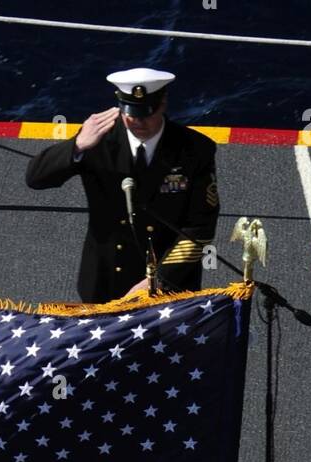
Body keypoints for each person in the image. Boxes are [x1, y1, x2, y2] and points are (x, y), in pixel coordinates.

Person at [25, 67, 220, 304]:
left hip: (169, 280)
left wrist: (158, 280)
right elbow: (36, 178)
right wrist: (77, 145)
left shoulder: (195, 150)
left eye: (147, 113)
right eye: (131, 113)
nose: (138, 121)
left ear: (163, 103)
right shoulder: (99, 140)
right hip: (106, 277)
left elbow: (200, 226)